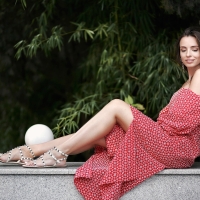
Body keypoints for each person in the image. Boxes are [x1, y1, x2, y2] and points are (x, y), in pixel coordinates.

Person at [1, 26, 200, 200]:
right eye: (183, 50)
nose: (188, 54)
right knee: (106, 134)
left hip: (175, 149)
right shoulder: (186, 84)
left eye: (194, 49)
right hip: (163, 142)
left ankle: (58, 153)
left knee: (116, 106)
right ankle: (35, 150)